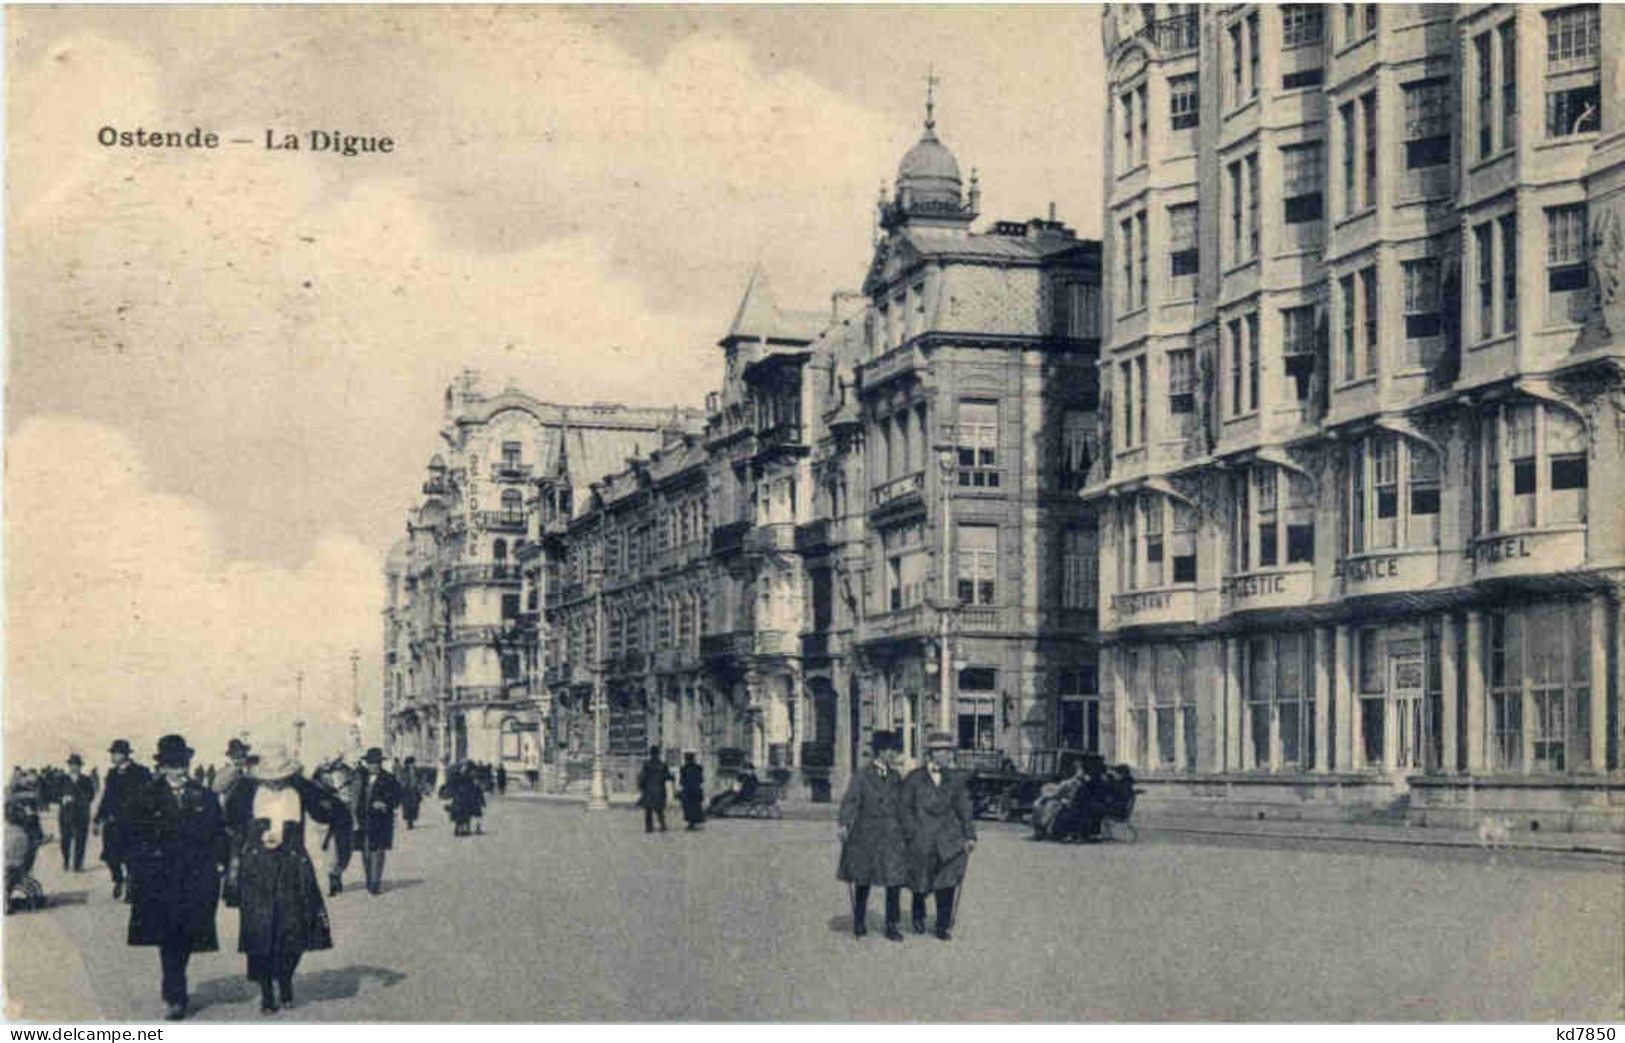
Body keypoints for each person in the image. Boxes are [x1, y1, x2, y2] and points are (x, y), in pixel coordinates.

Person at [224, 743, 349, 1015]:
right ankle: (268, 990)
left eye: (281, 777)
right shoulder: (245, 790)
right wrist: (243, 849)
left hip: (293, 866)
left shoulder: (301, 789)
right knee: (261, 931)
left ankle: (286, 977)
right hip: (256, 869)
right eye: (270, 778)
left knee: (295, 927)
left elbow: (334, 810)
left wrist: (335, 857)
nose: (276, 783)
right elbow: (229, 824)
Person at [123, 734, 227, 1020]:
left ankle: (174, 982)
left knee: (187, 935)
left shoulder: (204, 795)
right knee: (168, 937)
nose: (179, 770)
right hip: (160, 880)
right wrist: (137, 867)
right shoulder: (146, 797)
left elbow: (219, 831)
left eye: (182, 764)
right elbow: (130, 835)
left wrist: (220, 861)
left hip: (196, 878)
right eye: (173, 765)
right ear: (163, 767)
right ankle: (175, 994)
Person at [900, 732, 976, 941]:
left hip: (949, 839)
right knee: (920, 882)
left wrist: (970, 835)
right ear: (931, 754)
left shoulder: (955, 779)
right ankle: (918, 915)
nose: (947, 755)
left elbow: (964, 808)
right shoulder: (914, 778)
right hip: (922, 838)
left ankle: (942, 925)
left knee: (947, 882)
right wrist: (911, 833)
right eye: (942, 751)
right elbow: (904, 809)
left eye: (948, 751)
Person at [837, 731, 908, 941]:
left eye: (896, 751)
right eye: (893, 751)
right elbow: (851, 802)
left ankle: (891, 924)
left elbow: (903, 806)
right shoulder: (861, 776)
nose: (895, 755)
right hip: (866, 834)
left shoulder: (896, 778)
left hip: (892, 835)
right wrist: (845, 825)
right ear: (882, 751)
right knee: (863, 879)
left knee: (894, 880)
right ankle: (859, 921)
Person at [94, 739, 152, 902]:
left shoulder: (141, 772)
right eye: (112, 753)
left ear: (125, 755)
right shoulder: (112, 774)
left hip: (134, 824)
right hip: (113, 824)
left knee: (132, 858)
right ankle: (118, 879)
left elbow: (147, 797)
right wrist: (98, 819)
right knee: (112, 858)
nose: (112, 756)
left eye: (115, 753)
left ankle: (131, 889)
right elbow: (106, 797)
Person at [352, 748, 400, 895]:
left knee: (378, 851)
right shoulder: (361, 778)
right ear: (367, 763)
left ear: (381, 763)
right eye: (371, 763)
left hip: (381, 820)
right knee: (365, 852)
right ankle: (369, 879)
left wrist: (385, 803)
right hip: (363, 819)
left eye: (377, 763)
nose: (374, 766)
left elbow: (397, 798)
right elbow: (354, 796)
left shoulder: (389, 778)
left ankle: (375, 883)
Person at [57, 754, 95, 872]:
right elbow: (54, 793)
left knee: (81, 840)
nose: (74, 767)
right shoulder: (62, 779)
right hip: (65, 814)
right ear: (69, 766)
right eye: (72, 765)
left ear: (80, 767)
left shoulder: (86, 780)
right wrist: (62, 798)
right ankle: (66, 861)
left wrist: (78, 800)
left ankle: (78, 865)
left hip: (81, 814)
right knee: (65, 840)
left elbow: (90, 796)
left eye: (77, 765)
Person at [636, 745, 671, 834]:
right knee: (660, 810)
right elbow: (667, 776)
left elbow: (643, 777)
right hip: (660, 789)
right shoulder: (662, 765)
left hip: (649, 790)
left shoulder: (647, 764)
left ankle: (649, 827)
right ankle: (662, 825)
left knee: (648, 811)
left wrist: (641, 786)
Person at [678, 752, 705, 830]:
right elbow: (701, 779)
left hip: (687, 791)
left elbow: (682, 781)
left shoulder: (684, 768)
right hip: (696, 790)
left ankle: (691, 823)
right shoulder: (698, 768)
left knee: (688, 808)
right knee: (696, 807)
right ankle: (694, 822)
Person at [398, 757, 422, 830]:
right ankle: (409, 823)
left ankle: (411, 822)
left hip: (414, 791)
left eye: (412, 763)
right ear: (408, 764)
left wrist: (419, 788)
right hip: (406, 791)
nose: (412, 764)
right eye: (411, 763)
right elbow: (401, 780)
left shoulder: (416, 770)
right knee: (407, 807)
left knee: (414, 807)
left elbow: (419, 780)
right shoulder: (404, 770)